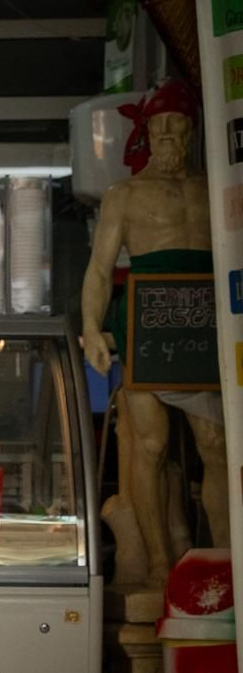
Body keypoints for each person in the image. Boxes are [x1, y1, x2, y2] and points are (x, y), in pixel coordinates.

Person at [81, 78, 227, 585]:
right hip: (145, 324)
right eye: (160, 126)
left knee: (215, 443)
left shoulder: (220, 187)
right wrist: (91, 328)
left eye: (177, 125)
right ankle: (162, 566)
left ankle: (227, 560)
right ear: (147, 132)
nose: (168, 135)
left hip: (204, 324)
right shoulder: (125, 195)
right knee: (149, 446)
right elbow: (99, 269)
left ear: (192, 130)